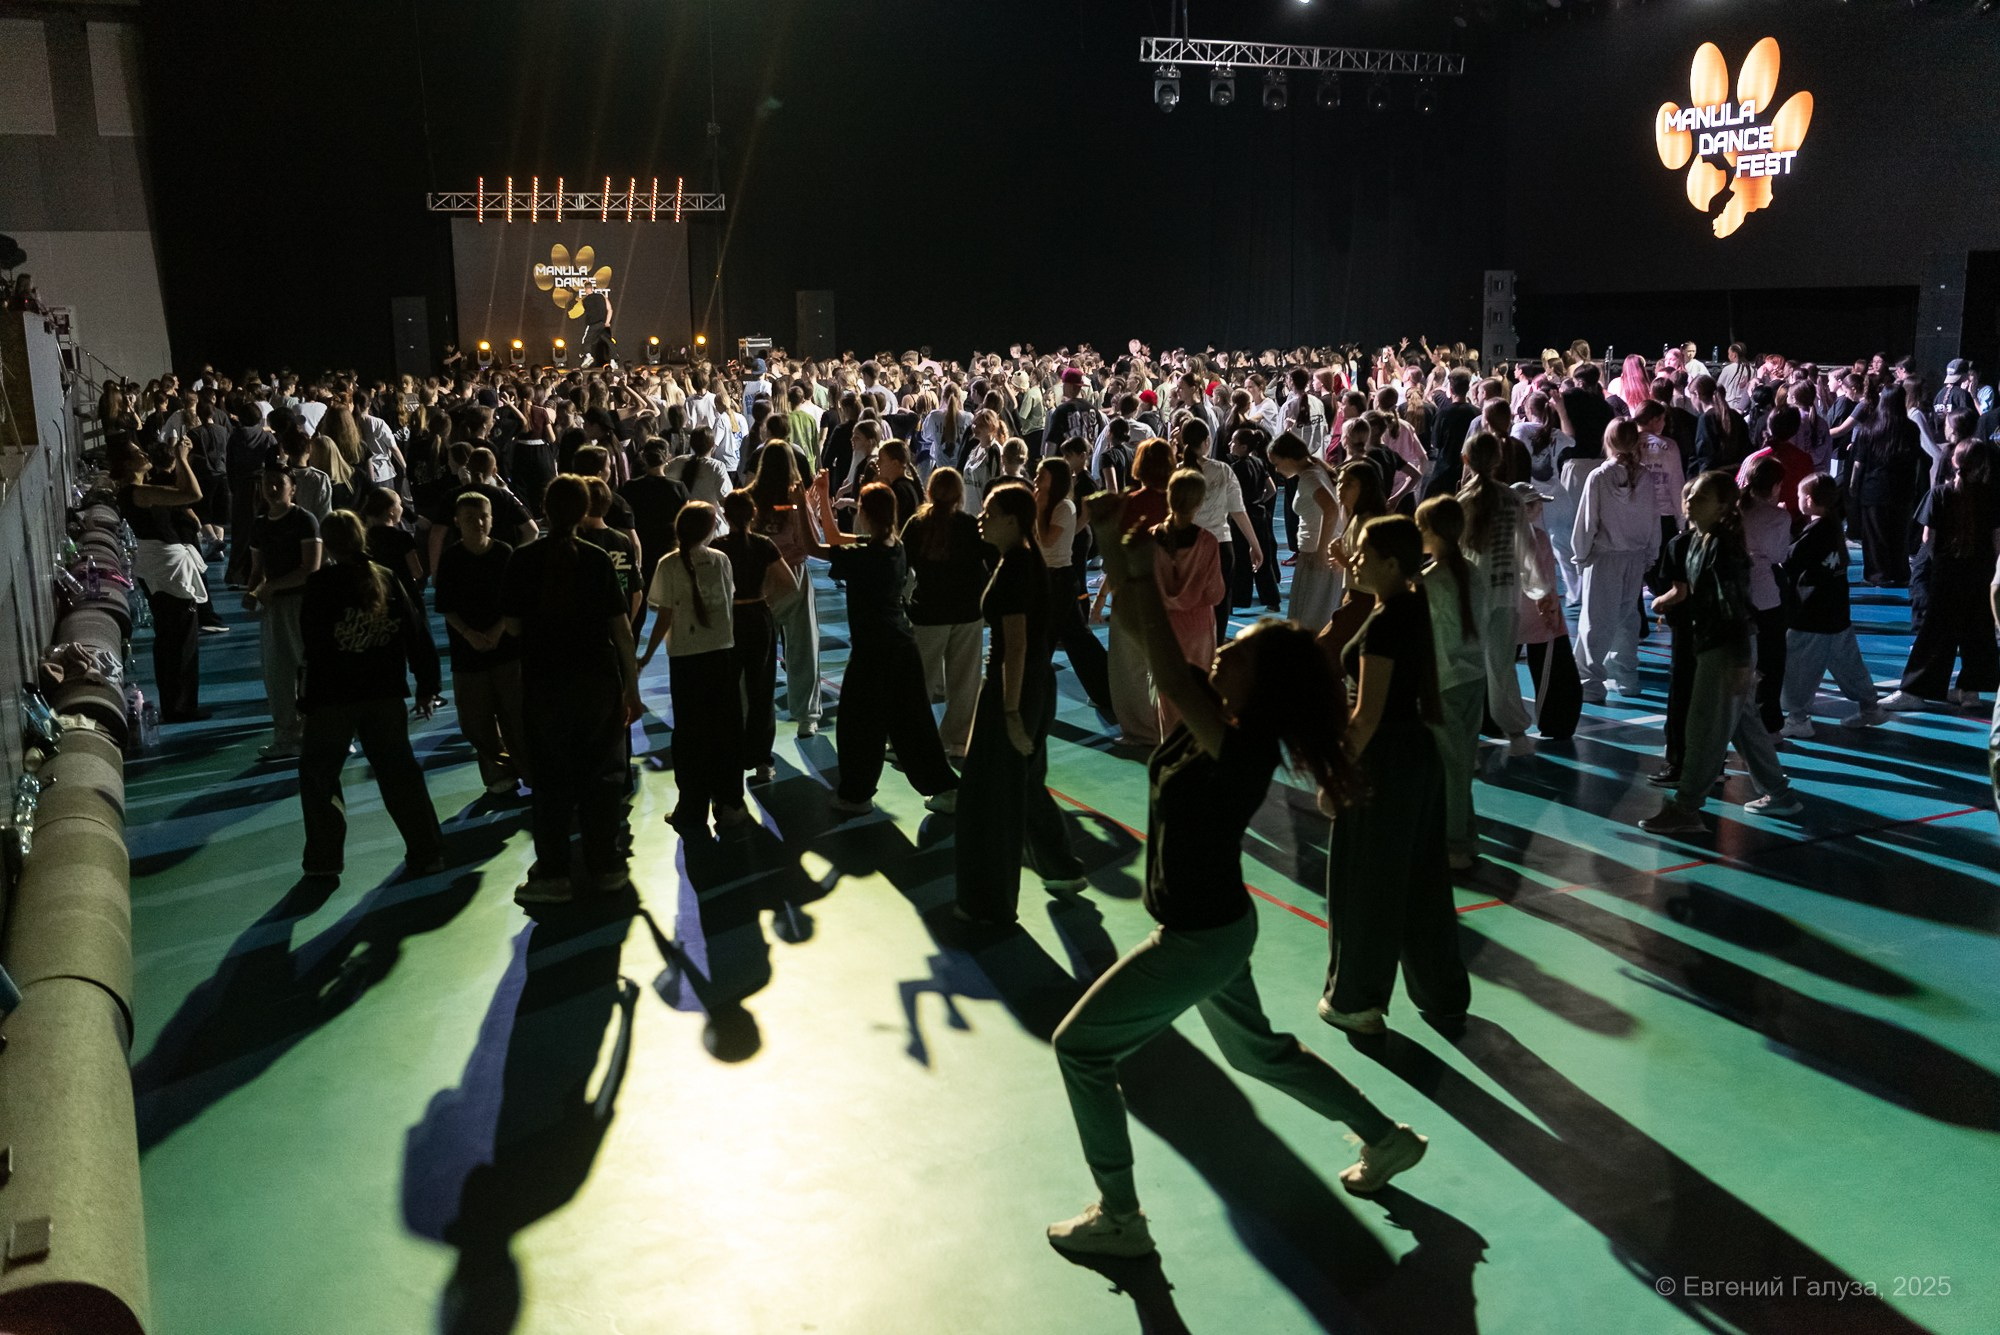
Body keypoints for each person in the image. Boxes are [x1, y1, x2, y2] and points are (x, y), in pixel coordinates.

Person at [1045, 496, 1426, 1260]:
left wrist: (1137, 560)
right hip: (1213, 927)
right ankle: (1388, 1138)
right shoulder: (1216, 720)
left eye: (1241, 649)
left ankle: (1120, 1215)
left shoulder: (1241, 742)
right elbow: (1139, 634)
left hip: (1199, 936)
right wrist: (1124, 556)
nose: (1224, 650)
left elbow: (1162, 657)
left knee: (1081, 1047)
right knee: (1259, 1053)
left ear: (1264, 683)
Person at [1320, 514, 1472, 1034]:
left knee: (1366, 883)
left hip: (1383, 763)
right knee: (1422, 881)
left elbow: (1368, 714)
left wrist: (1336, 774)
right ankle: (1442, 991)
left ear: (1389, 562)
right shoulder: (1412, 608)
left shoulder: (1385, 622)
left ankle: (1357, 999)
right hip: (1419, 758)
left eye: (1363, 551)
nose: (1355, 559)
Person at [501, 475, 643, 905]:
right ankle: (606, 865)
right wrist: (631, 690)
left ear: (544, 509)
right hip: (598, 680)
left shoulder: (522, 560)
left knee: (550, 780)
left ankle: (555, 873)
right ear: (585, 512)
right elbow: (621, 632)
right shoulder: (598, 559)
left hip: (545, 682)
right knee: (602, 777)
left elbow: (512, 626)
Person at [953, 481, 1089, 925]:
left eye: (989, 512)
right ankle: (1061, 867)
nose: (981, 518)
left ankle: (988, 902)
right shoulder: (1025, 558)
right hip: (1032, 686)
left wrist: (1009, 713)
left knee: (990, 797)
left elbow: (1015, 644)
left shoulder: (1016, 567)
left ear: (1011, 519)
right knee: (1022, 785)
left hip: (1013, 689)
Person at [1640, 472, 1802, 835]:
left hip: (1726, 649)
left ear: (1723, 506)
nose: (1689, 502)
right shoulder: (1699, 540)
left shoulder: (1723, 548)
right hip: (1720, 646)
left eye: (1700, 497)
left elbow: (1735, 608)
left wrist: (1741, 661)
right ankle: (1779, 794)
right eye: (1690, 495)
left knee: (1704, 730)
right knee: (1745, 727)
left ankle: (1686, 808)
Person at [296, 510, 444, 880]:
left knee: (319, 776)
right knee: (400, 775)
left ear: (327, 545)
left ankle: (324, 860)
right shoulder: (387, 578)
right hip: (384, 695)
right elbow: (416, 633)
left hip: (333, 698)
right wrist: (427, 686)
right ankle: (428, 852)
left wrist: (305, 700)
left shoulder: (321, 584)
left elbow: (313, 648)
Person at [799, 475, 959, 816]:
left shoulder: (865, 557)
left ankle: (857, 796)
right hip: (902, 647)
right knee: (912, 725)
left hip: (874, 653)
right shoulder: (892, 545)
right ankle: (945, 789)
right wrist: (824, 497)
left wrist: (801, 504)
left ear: (866, 515)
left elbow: (816, 547)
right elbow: (834, 537)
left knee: (858, 727)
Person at [640, 502, 753, 835]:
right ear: (709, 530)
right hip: (721, 654)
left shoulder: (668, 564)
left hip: (686, 659)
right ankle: (730, 804)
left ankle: (691, 809)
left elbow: (664, 616)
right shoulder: (721, 561)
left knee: (690, 736)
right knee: (726, 731)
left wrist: (646, 655)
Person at [1882, 438, 2000, 711]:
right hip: (1980, 574)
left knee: (1935, 634)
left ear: (1954, 462)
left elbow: (1928, 538)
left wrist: (1941, 564)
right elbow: (1997, 542)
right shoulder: (1992, 496)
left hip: (1947, 573)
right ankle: (1970, 691)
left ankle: (1915, 690)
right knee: (1978, 631)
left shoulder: (1939, 494)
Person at [434, 492, 531, 796]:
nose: (477, 523)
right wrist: (469, 634)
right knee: (476, 722)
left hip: (506, 651)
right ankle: (498, 772)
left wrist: (496, 631)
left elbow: (516, 601)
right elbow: (446, 606)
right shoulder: (450, 559)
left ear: (492, 519)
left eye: (483, 517)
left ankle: (530, 770)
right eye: (469, 518)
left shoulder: (505, 553)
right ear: (457, 522)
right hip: (467, 654)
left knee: (517, 716)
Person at [1779, 474, 1886, 737]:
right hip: (1837, 612)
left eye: (1800, 495)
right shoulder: (1833, 526)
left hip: (1812, 615)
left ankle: (1798, 718)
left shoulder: (1816, 532)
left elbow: (1788, 559)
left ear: (1810, 500)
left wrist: (1781, 525)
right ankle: (1870, 707)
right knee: (1849, 665)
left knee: (1798, 667)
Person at [113, 438, 210, 722]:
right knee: (179, 636)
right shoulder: (139, 493)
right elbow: (192, 493)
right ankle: (180, 706)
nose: (144, 452)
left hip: (158, 564)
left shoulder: (139, 491)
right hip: (165, 568)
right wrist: (182, 457)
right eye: (136, 452)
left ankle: (177, 703)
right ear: (126, 464)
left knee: (171, 635)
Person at [1417, 497, 1486, 871]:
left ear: (1432, 532)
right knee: (1461, 761)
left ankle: (1455, 843)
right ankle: (1468, 835)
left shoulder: (1430, 581)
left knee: (1451, 766)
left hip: (1444, 681)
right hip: (1473, 677)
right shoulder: (1471, 572)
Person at [903, 468, 991, 759]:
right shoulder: (970, 525)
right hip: (968, 612)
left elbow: (900, 567)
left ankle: (913, 738)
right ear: (960, 495)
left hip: (928, 612)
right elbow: (991, 563)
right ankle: (957, 741)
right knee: (964, 683)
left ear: (929, 492)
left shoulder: (916, 525)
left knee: (919, 682)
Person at [711, 490, 798, 784]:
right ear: (754, 515)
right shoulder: (764, 544)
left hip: (729, 619)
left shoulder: (717, 546)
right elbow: (789, 583)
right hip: (758, 617)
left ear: (725, 515)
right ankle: (762, 759)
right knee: (761, 690)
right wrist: (765, 599)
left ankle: (730, 753)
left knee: (728, 690)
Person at [1571, 421, 1661, 704]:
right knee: (1627, 619)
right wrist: (1650, 553)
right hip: (1634, 557)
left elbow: (1587, 521)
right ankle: (1625, 678)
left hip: (1604, 557)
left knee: (1594, 621)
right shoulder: (1645, 477)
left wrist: (1580, 554)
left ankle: (1589, 683)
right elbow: (1653, 518)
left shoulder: (1599, 476)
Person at [1458, 433, 1535, 753]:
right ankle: (1516, 734)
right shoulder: (1512, 499)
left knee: (1467, 666)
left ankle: (1466, 737)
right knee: (1502, 665)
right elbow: (1526, 548)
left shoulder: (1462, 500)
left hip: (1472, 591)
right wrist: (1540, 588)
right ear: (1499, 460)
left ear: (1466, 460)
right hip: (1505, 591)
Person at [245, 464, 323, 760]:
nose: (272, 489)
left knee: (310, 668)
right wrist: (252, 591)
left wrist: (271, 587)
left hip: (303, 603)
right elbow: (257, 568)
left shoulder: (304, 520)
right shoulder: (260, 524)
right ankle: (286, 736)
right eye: (267, 483)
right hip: (274, 606)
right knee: (278, 673)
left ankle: (319, 730)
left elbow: (310, 569)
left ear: (293, 488)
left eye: (279, 483)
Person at [1102, 438, 1175, 746]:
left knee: (1127, 665)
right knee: (1163, 662)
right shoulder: (1176, 500)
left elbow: (1118, 553)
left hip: (1134, 589)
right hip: (1169, 589)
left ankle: (1139, 729)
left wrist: (1103, 595)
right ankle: (1167, 723)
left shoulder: (1129, 502)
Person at [747, 441, 822, 736]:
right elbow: (810, 541)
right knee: (803, 646)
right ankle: (806, 716)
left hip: (758, 577)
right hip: (794, 574)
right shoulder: (795, 498)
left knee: (758, 652)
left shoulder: (751, 497)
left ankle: (755, 715)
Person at [1033, 456, 1114, 717]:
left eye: (1040, 477)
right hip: (1048, 577)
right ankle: (1107, 689)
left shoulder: (1064, 507)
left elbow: (1046, 541)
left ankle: (1028, 693)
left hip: (1059, 578)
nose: (1035, 481)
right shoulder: (1045, 505)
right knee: (1077, 638)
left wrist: (1039, 506)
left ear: (1054, 481)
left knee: (1048, 638)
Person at [1150, 469, 1225, 735]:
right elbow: (1215, 593)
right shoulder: (1207, 542)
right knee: (1198, 694)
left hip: (1163, 627)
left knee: (1167, 696)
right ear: (1199, 502)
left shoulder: (1151, 538)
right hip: (1197, 627)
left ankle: (1167, 747)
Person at [1739, 458, 1794, 735]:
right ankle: (1769, 723)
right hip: (1765, 594)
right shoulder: (1779, 517)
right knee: (1771, 662)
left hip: (1736, 593)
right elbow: (1779, 556)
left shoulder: (1735, 509)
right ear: (1774, 486)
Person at [1268, 431, 1340, 630]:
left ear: (1289, 458)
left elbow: (1332, 509)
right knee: (1311, 615)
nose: (1276, 469)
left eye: (1277, 463)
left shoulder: (1310, 477)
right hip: (1313, 549)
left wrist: (1321, 550)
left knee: (1310, 618)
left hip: (1315, 551)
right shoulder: (1315, 470)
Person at [1226, 426, 1282, 611]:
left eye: (1234, 442)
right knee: (1262, 558)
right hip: (1260, 515)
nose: (1230, 444)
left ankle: (1241, 599)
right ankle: (1272, 599)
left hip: (1242, 516)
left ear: (1242, 447)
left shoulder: (1235, 469)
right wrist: (1260, 501)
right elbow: (1272, 489)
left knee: (1242, 559)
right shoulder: (1259, 462)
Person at [360, 487, 422, 610]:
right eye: (399, 504)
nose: (402, 508)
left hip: (378, 593)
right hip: (404, 591)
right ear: (391, 511)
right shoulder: (402, 537)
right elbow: (417, 572)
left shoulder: (364, 539)